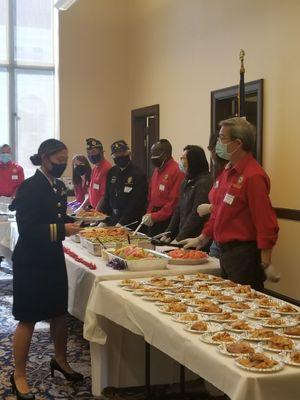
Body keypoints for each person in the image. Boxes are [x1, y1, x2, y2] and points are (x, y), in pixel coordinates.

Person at [9, 139, 83, 399]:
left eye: (65, 160)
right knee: (27, 318)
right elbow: (29, 228)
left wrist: (79, 221)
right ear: (44, 158)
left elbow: (59, 216)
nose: (63, 165)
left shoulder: (58, 186)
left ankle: (60, 361)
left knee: (59, 313)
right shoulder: (29, 188)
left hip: (52, 257)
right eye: (58, 161)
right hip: (31, 261)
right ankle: (18, 374)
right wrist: (63, 229)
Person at [180, 117, 280, 290]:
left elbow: (265, 222)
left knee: (243, 309)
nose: (217, 143)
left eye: (221, 138)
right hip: (225, 252)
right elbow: (219, 212)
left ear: (238, 143)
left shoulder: (253, 176)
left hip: (244, 255)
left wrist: (265, 262)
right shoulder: (226, 173)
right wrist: (202, 237)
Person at [160, 145, 211, 243]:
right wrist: (168, 233)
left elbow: (195, 215)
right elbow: (178, 209)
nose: (181, 161)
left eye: (183, 158)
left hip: (196, 239)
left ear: (193, 161)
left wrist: (179, 238)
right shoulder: (186, 180)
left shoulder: (204, 182)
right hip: (184, 234)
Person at [99, 140, 147, 227]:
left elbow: (137, 202)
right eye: (116, 154)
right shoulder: (112, 172)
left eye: (121, 152)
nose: (119, 156)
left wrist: (123, 222)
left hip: (131, 221)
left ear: (128, 153)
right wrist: (103, 219)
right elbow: (107, 197)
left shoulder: (138, 174)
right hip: (113, 218)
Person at [196, 133, 230, 258]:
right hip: (216, 238)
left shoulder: (245, 175)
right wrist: (203, 236)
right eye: (210, 149)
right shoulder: (220, 173)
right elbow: (216, 215)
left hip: (235, 243)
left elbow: (231, 210)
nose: (212, 153)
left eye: (213, 149)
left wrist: (211, 208)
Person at [143, 139, 185, 236]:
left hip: (168, 220)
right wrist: (148, 213)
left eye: (155, 154)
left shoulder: (177, 171)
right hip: (153, 217)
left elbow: (173, 202)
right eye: (151, 154)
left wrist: (155, 216)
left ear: (165, 154)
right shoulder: (157, 170)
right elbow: (151, 196)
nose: (152, 157)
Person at [86, 138, 111, 209]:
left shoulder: (106, 168)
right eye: (88, 152)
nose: (90, 155)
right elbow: (92, 191)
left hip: (102, 211)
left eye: (93, 152)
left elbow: (105, 195)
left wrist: (96, 212)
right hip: (94, 208)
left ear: (101, 152)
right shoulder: (94, 169)